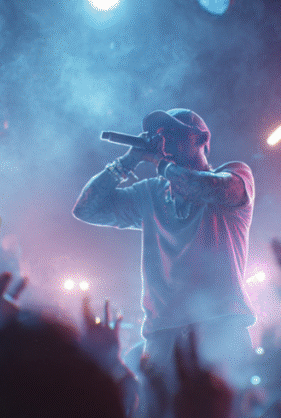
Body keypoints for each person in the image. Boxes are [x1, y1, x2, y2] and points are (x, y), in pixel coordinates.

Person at [73, 109, 255, 381]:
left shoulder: (235, 176)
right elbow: (87, 210)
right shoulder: (151, 193)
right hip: (163, 334)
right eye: (159, 135)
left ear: (202, 139)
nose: (165, 141)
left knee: (230, 417)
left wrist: (161, 163)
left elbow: (198, 186)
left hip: (221, 326)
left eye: (175, 134)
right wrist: (129, 160)